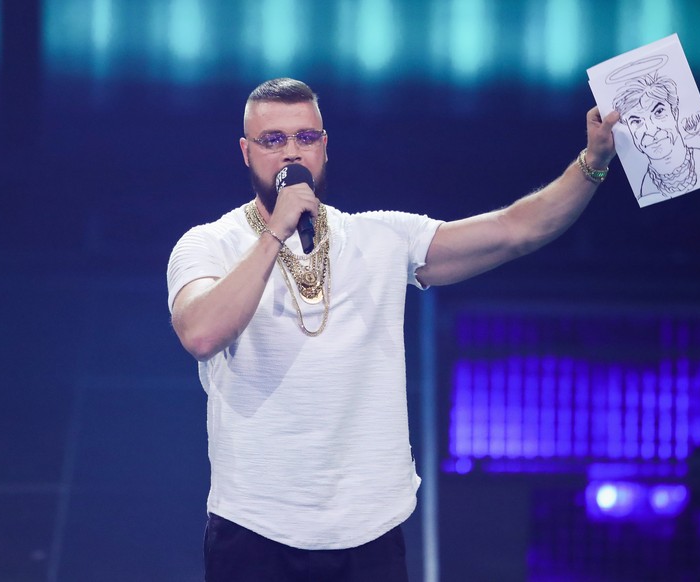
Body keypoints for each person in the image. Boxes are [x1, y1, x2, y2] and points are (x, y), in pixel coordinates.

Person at [166, 77, 618, 581]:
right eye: (273, 140)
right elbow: (201, 334)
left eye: (306, 137)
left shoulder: (380, 236)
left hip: (369, 534)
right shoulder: (208, 244)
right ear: (246, 152)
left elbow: (515, 231)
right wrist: (277, 231)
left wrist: (593, 164)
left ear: (325, 146)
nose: (291, 152)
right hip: (255, 530)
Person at [612, 73, 700, 205]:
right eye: (636, 121)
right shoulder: (643, 191)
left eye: (659, 112)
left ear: (675, 113)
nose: (651, 130)